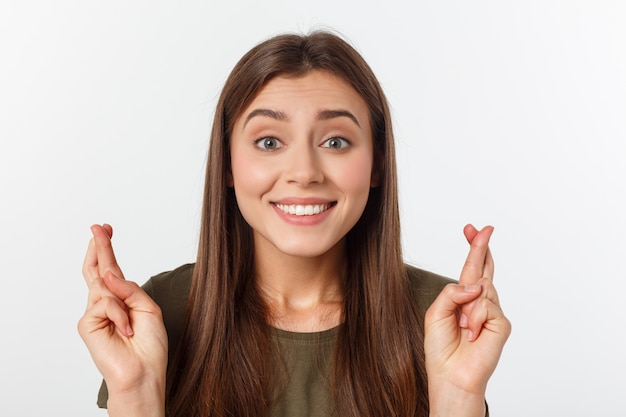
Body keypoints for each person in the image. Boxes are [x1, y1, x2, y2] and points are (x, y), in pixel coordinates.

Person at [78, 30, 510, 417]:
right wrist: (134, 394)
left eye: (336, 141)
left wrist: (458, 395)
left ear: (377, 163)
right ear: (228, 165)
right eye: (269, 142)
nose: (304, 172)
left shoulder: (438, 317)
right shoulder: (162, 312)